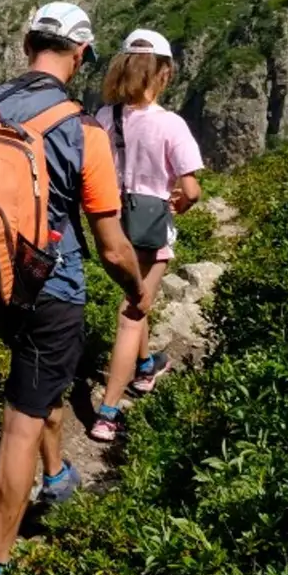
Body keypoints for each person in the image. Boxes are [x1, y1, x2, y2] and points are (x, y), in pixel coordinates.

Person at [0, 1, 145, 575]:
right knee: (21, 422)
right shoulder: (84, 131)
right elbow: (111, 245)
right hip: (52, 293)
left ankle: (57, 477)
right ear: (78, 56)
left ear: (28, 44)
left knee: (37, 383)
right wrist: (135, 293)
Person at [88, 28, 205, 443]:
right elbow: (191, 189)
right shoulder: (171, 125)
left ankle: (144, 368)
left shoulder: (105, 117)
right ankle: (108, 413)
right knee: (132, 312)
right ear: (164, 73)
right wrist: (181, 204)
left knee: (139, 296)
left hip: (111, 229)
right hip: (151, 234)